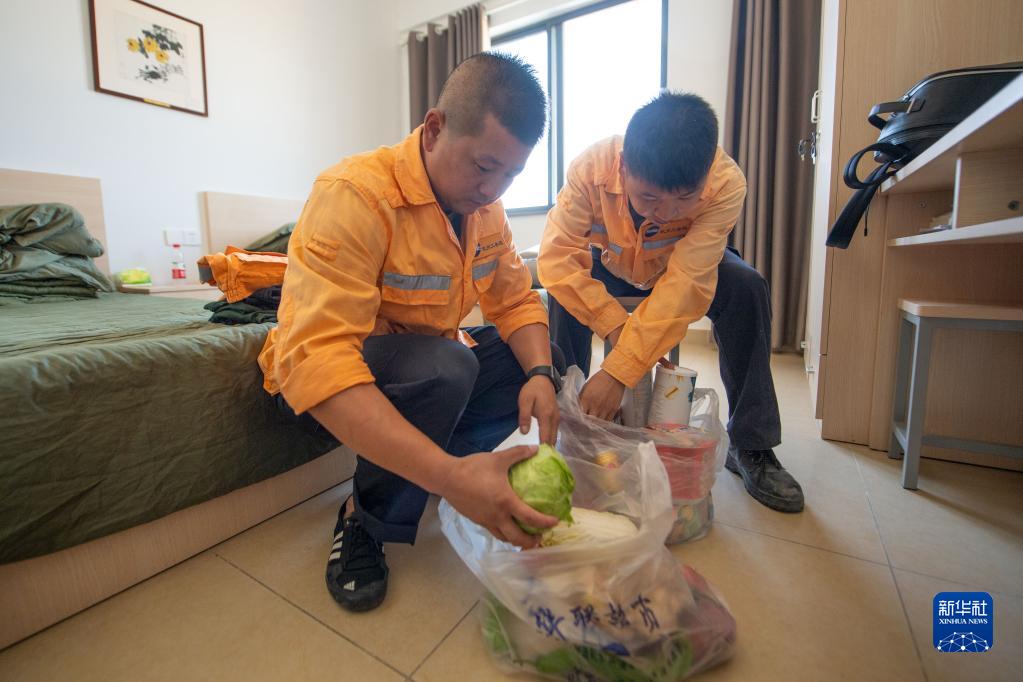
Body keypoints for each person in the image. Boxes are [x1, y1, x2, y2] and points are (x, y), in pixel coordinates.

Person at [259, 53, 566, 613]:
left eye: (511, 175)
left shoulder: (486, 211)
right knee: (447, 366)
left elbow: (515, 299)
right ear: (434, 129)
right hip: (313, 392)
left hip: (424, 362)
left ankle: (420, 474)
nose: (493, 188)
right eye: (484, 166)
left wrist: (542, 374)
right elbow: (318, 360)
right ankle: (365, 519)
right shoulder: (354, 195)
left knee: (532, 361)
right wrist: (450, 477)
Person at [537, 92, 804, 514]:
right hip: (612, 260)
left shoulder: (726, 183)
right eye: (648, 199)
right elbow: (556, 258)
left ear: (706, 173)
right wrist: (615, 326)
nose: (664, 213)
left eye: (683, 200)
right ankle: (576, 424)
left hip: (680, 264)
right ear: (624, 167)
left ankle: (752, 444)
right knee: (564, 293)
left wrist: (620, 369)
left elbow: (686, 285)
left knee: (747, 287)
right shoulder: (590, 170)